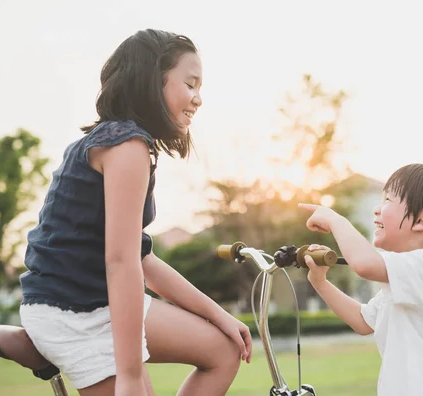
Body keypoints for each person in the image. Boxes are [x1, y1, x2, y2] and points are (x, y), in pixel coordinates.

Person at [18, 29, 252, 396]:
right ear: (151, 81)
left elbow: (140, 258)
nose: (199, 99)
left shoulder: (110, 140)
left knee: (224, 349)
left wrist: (219, 315)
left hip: (90, 301)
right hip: (76, 310)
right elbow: (120, 262)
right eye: (190, 84)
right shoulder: (127, 145)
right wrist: (128, 375)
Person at [298, 163, 423, 396]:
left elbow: (364, 264)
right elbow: (363, 322)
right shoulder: (407, 278)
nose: (377, 209)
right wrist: (320, 283)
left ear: (422, 219)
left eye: (387, 201)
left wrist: (336, 220)